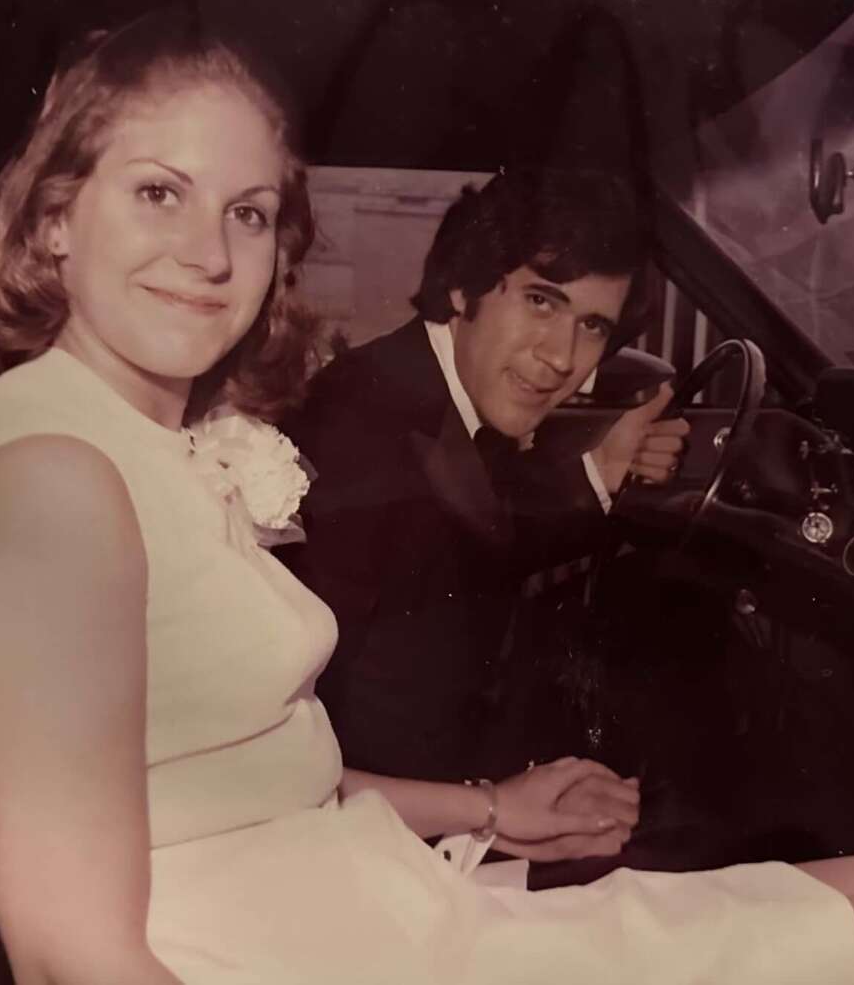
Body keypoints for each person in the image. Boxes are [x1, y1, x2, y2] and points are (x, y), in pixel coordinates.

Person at [0, 9, 854, 984]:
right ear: (56, 217)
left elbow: (230, 777)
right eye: (159, 191)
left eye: (249, 212)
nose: (208, 254)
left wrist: (495, 807)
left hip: (352, 903)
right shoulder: (51, 487)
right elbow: (72, 955)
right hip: (282, 951)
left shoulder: (127, 439)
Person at [277, 169, 689, 799]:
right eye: (541, 301)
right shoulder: (362, 431)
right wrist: (492, 812)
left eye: (593, 327)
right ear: (465, 288)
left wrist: (602, 471)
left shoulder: (433, 388)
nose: (561, 357)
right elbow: (315, 720)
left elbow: (478, 529)